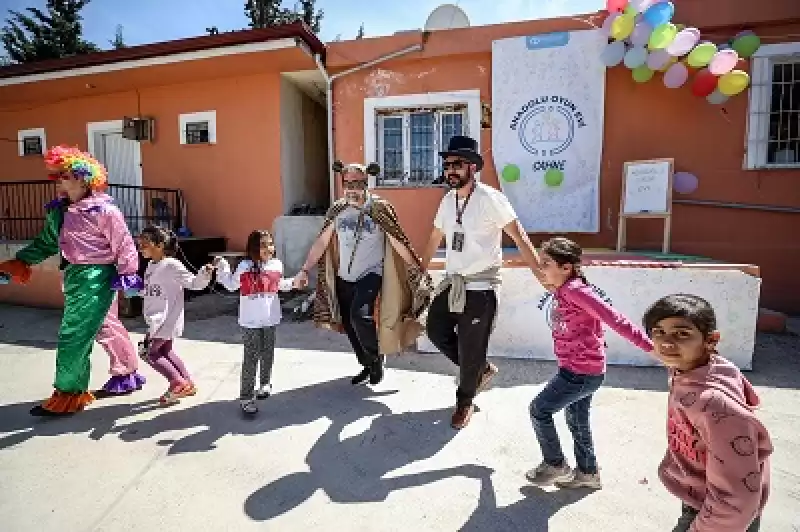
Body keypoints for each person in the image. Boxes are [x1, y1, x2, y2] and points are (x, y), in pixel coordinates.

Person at [0, 145, 145, 416]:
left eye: (64, 175)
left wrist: (128, 273)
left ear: (82, 177)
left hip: (97, 276)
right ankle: (126, 373)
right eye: (57, 176)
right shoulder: (59, 212)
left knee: (74, 333)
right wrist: (21, 261)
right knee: (105, 325)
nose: (59, 181)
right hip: (74, 275)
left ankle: (69, 393)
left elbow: (124, 244)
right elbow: (46, 242)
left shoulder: (104, 211)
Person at [420, 135, 548, 430]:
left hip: (481, 288)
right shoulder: (447, 200)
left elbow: (519, 236)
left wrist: (540, 275)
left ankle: (464, 402)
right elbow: (433, 239)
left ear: (472, 168)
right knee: (436, 330)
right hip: (454, 284)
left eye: (457, 164)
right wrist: (418, 272)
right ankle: (480, 370)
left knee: (471, 347)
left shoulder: (490, 199)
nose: (450, 170)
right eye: (447, 164)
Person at [525, 237, 653, 488]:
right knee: (577, 420)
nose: (541, 268)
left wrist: (652, 349)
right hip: (582, 370)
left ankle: (554, 464)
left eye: (546, 263)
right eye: (541, 262)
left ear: (566, 267)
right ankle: (588, 473)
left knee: (539, 410)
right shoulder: (563, 288)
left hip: (580, 373)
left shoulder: (576, 291)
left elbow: (616, 320)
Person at [295, 161, 432, 386]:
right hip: (343, 276)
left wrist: (416, 266)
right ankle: (367, 363)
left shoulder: (379, 208)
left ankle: (376, 360)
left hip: (371, 273)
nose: (351, 188)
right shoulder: (338, 210)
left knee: (361, 316)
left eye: (357, 183)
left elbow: (397, 240)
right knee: (348, 323)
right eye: (347, 183)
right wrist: (304, 269)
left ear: (366, 182)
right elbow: (321, 242)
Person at [643, 294, 772, 532]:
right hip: (702, 495)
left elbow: (737, 500)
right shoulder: (692, 367)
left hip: (718, 514)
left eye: (682, 334)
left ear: (711, 340)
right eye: (658, 332)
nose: (666, 343)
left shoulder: (715, 405)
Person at [215, 229, 295, 415]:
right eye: (263, 245)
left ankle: (265, 383)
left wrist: (295, 282)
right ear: (253, 248)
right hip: (250, 321)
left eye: (270, 244)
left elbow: (280, 285)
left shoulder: (276, 265)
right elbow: (231, 284)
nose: (268, 248)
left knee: (267, 353)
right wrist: (222, 267)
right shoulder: (244, 266)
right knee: (250, 358)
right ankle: (246, 397)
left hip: (270, 318)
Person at [134, 225, 214, 406]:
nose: (141, 247)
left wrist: (205, 273)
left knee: (149, 353)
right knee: (165, 351)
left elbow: (194, 283)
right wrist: (136, 290)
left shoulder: (171, 265)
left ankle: (177, 382)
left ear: (160, 244)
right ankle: (187, 383)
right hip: (156, 318)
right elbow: (150, 290)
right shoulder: (150, 265)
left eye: (145, 243)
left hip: (166, 319)